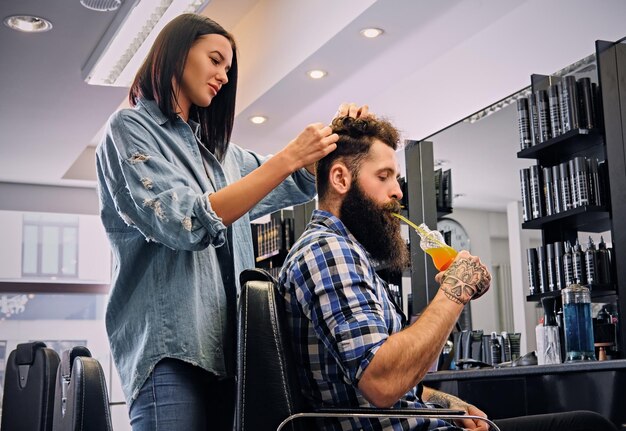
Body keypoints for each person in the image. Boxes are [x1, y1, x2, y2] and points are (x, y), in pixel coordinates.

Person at [95, 13, 369, 431]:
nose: (224, 75)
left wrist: (340, 133)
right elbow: (185, 221)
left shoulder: (224, 155)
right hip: (170, 353)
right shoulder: (130, 128)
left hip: (231, 351)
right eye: (216, 59)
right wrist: (288, 156)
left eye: (229, 67)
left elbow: (295, 180)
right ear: (176, 53)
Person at [278, 115, 617, 431]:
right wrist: (456, 290)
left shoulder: (346, 253)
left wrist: (444, 403)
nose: (397, 191)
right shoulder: (328, 251)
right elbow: (381, 383)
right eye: (383, 177)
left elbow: (382, 385)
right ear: (340, 178)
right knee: (586, 426)